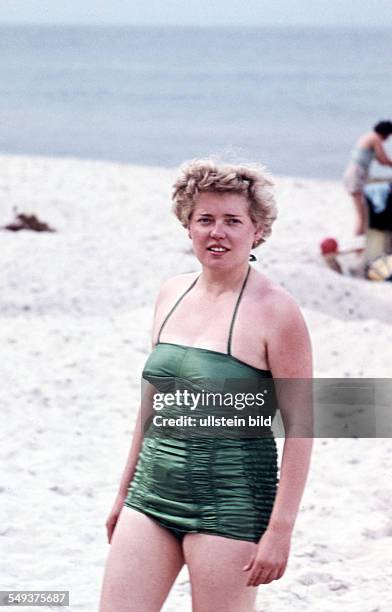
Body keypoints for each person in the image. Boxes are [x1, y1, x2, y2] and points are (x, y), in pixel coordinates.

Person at [99, 160, 313, 612]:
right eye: (205, 220)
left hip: (231, 507)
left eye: (233, 221)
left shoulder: (277, 310)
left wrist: (280, 530)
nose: (218, 232)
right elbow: (152, 407)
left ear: (257, 231)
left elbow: (303, 426)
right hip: (151, 495)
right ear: (188, 226)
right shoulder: (170, 293)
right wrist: (123, 493)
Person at [343, 120, 392, 236]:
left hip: (354, 173)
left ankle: (360, 234)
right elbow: (383, 159)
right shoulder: (375, 138)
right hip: (356, 174)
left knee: (363, 209)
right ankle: (358, 236)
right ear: (385, 133)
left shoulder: (369, 136)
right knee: (361, 212)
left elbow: (380, 160)